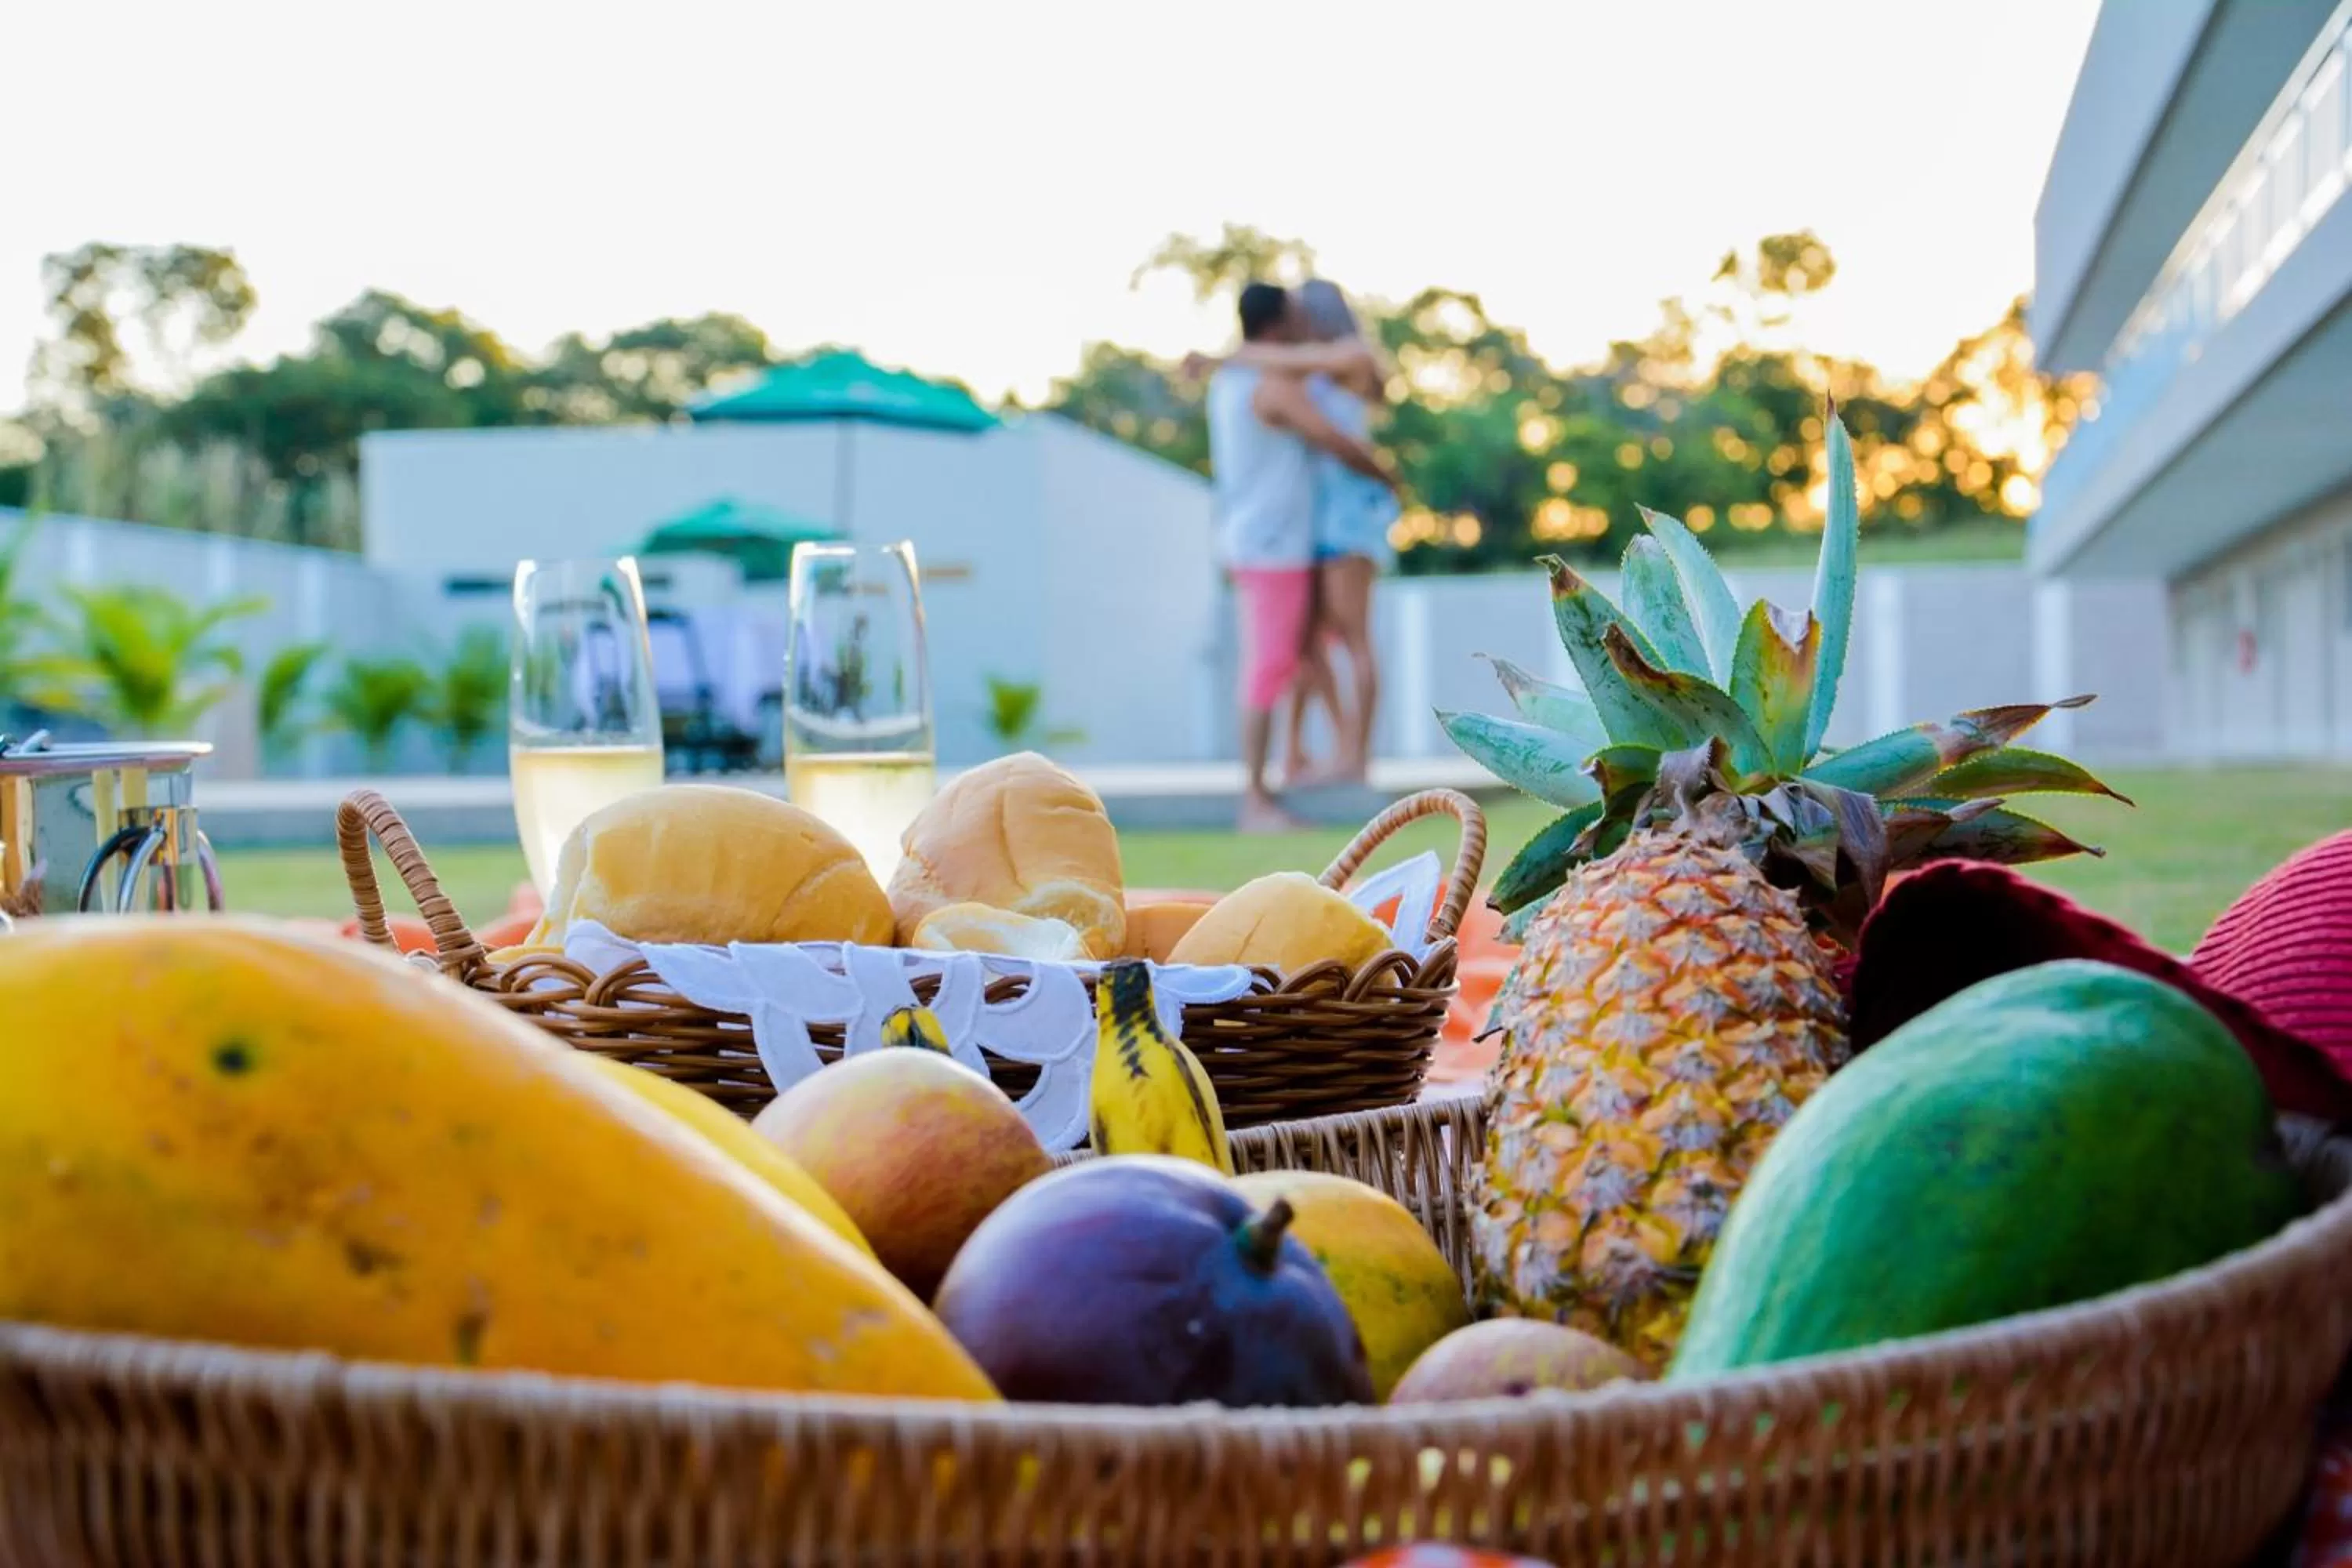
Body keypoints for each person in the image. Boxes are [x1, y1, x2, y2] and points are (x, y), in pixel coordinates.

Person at [1203, 282, 1397, 833]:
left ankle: (1311, 759)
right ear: (1278, 324)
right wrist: (1387, 475)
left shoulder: (1251, 375)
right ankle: (1257, 801)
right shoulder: (1269, 384)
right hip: (1274, 545)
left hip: (1292, 537)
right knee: (1270, 665)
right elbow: (1333, 439)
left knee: (1307, 648)